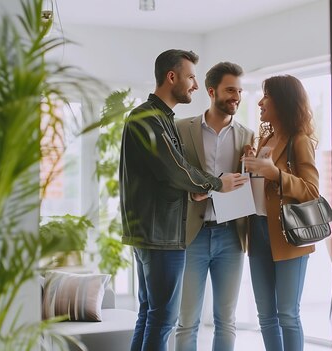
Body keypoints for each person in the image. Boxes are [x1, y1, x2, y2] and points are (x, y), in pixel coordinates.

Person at [119, 49, 248, 351]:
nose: (194, 85)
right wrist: (217, 183)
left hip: (152, 233)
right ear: (171, 76)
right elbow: (174, 168)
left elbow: (168, 172)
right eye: (191, 77)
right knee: (164, 318)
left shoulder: (160, 118)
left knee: (150, 315)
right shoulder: (150, 118)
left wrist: (194, 189)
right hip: (160, 234)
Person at [174, 61, 254, 351]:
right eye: (230, 89)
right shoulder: (182, 129)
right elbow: (174, 178)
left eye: (240, 90)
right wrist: (195, 192)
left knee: (226, 320)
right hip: (192, 234)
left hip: (231, 236)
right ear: (211, 91)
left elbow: (250, 184)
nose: (237, 96)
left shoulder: (247, 136)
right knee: (186, 321)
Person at [242, 75, 319, 351]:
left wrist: (276, 174)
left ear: (282, 101)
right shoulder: (264, 138)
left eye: (267, 96)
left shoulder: (299, 141)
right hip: (258, 231)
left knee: (287, 314)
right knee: (266, 316)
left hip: (289, 234)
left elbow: (311, 191)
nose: (261, 102)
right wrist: (249, 163)